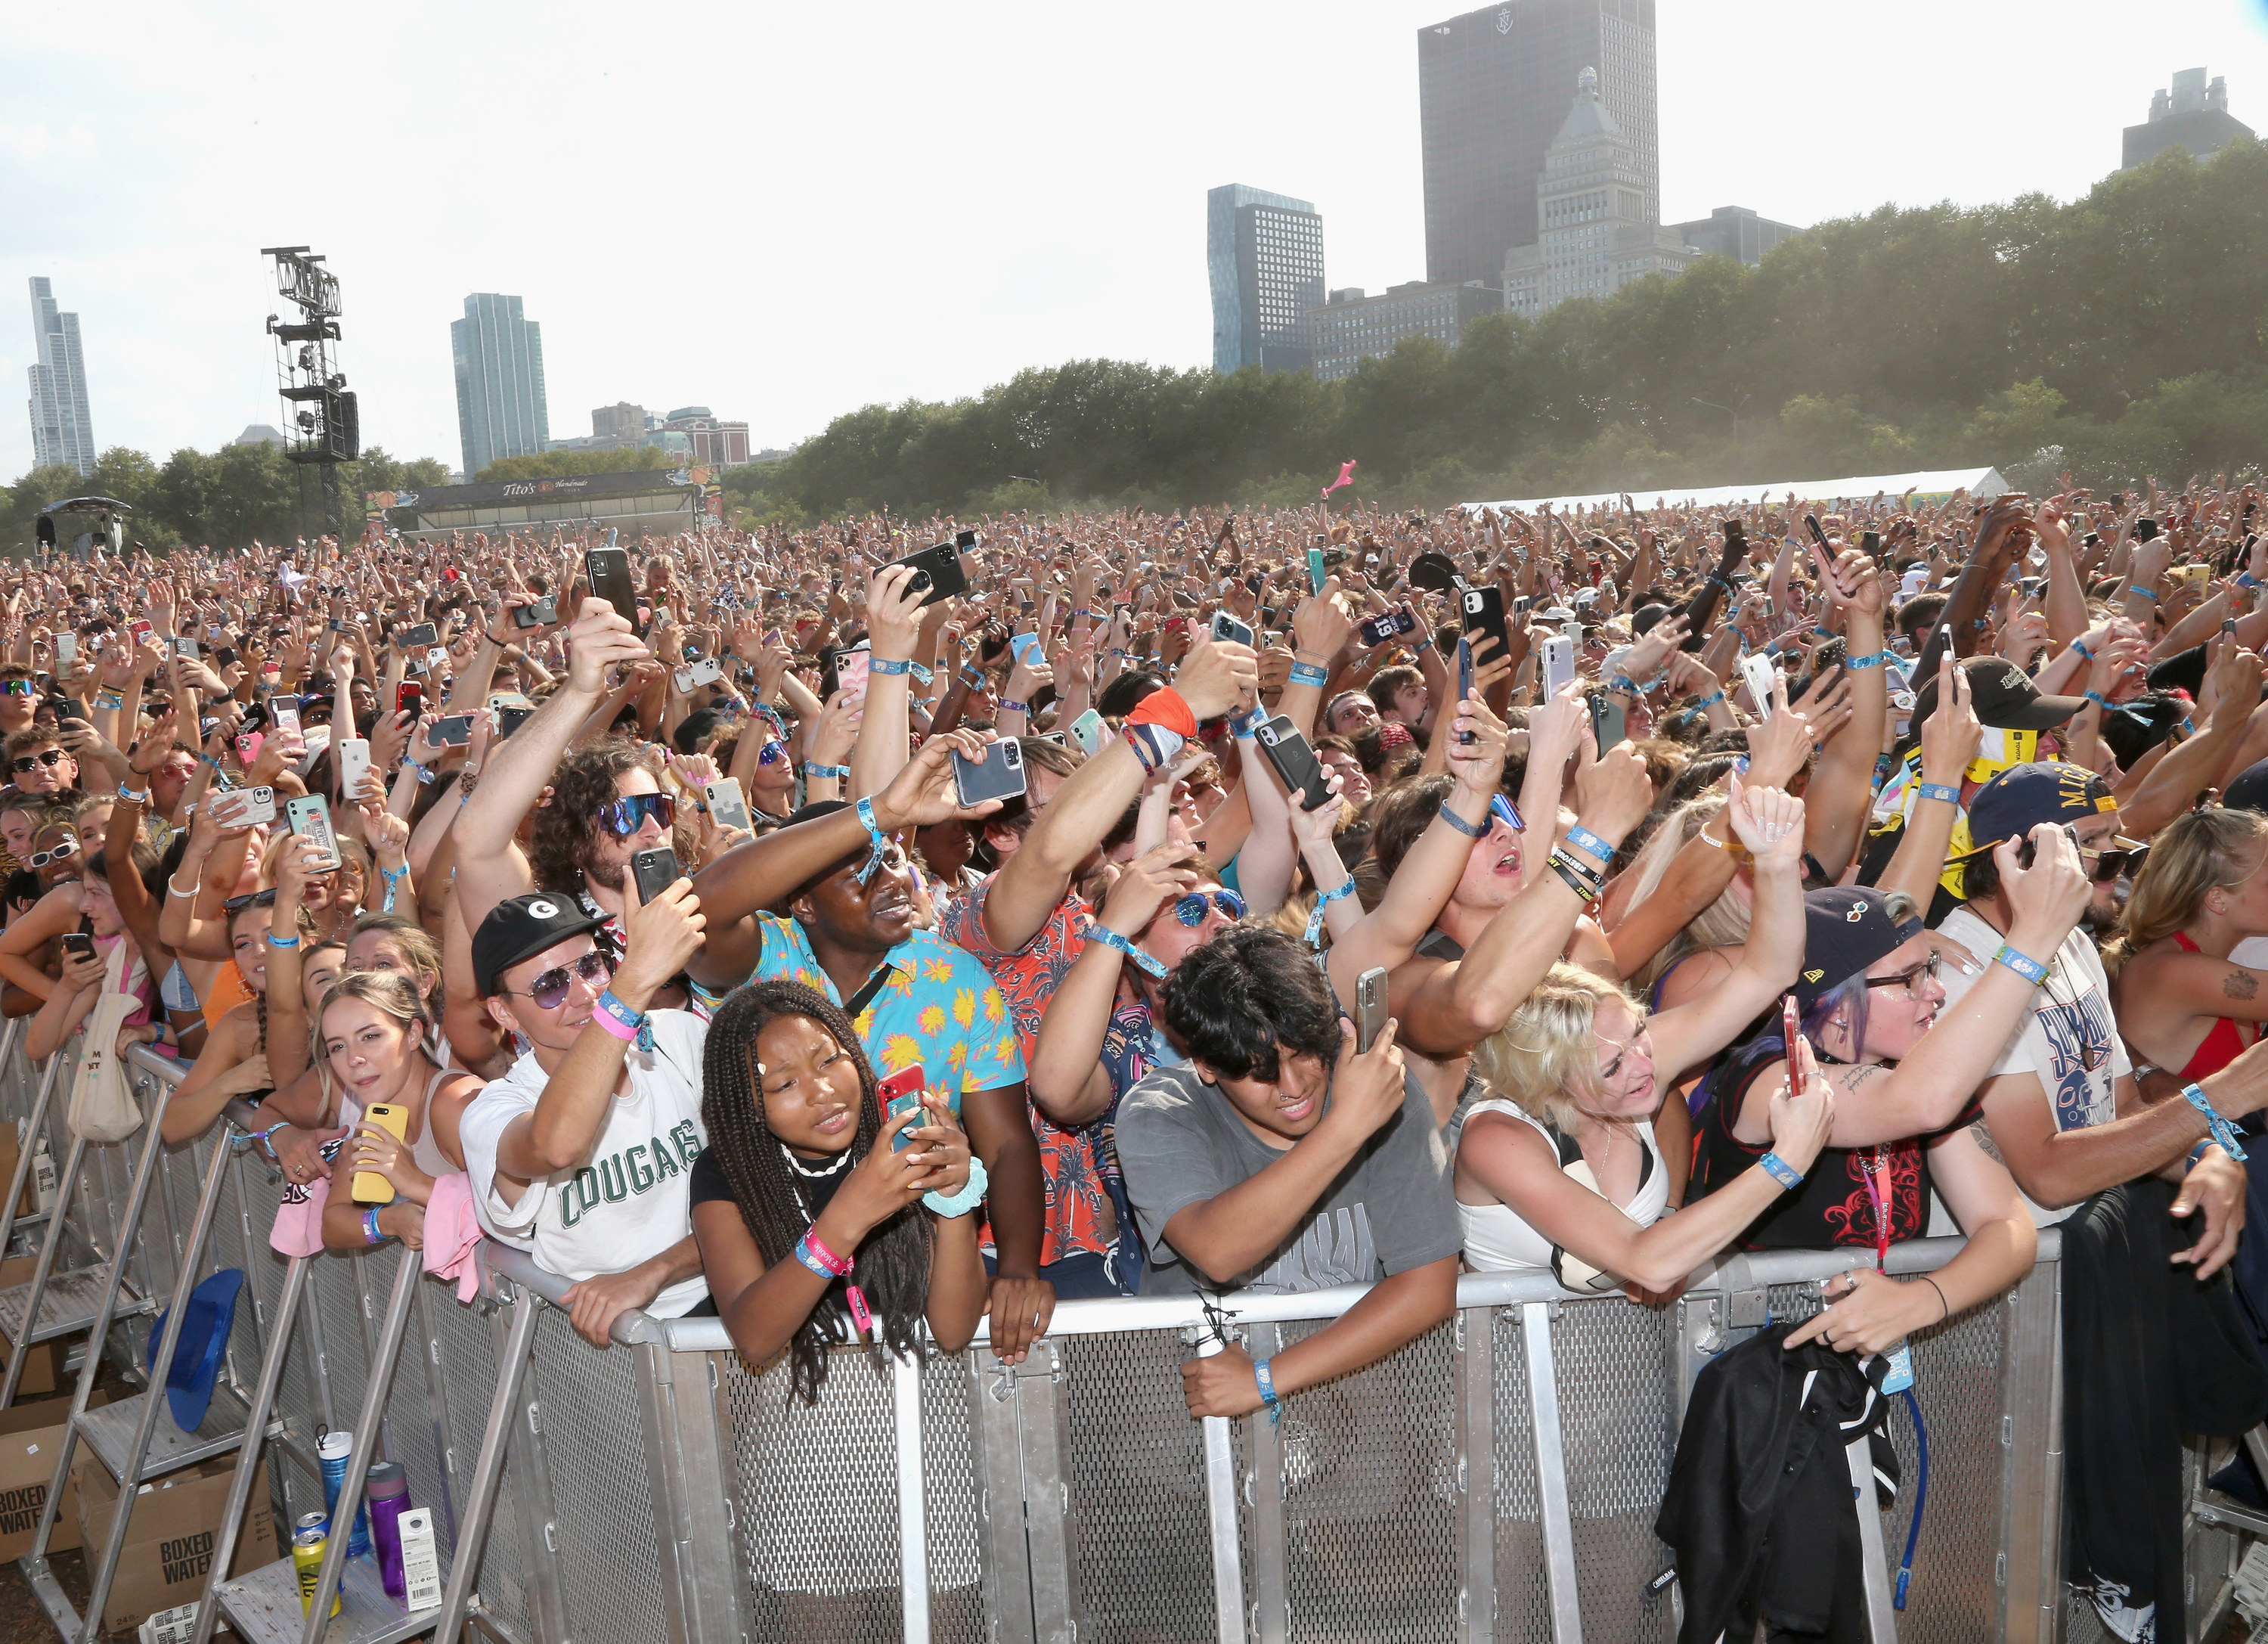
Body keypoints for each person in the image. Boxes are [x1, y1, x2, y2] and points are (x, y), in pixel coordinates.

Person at [1458, 779, 1829, 1294]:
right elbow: (1647, 1262)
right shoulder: (1499, 1140)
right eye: (1612, 1066)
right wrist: (1786, 1161)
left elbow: (1771, 971)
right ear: (1551, 1086)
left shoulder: (1639, 1056)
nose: (1642, 1062)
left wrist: (1776, 864)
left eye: (1637, 1032)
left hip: (1634, 1364)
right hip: (1518, 1368)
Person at [1117, 926, 1461, 1419]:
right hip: (1195, 1436)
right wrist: (1346, 1129)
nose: (1293, 1086)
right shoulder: (1161, 1110)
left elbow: (1427, 1289)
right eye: (1259, 1072)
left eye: (1305, 1055)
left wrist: (1264, 1380)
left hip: (1357, 1430)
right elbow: (1218, 1251)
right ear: (1206, 1066)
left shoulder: (1381, 1092)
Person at [456, 880, 714, 1346]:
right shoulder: (492, 1110)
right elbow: (556, 1145)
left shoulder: (678, 1038)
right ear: (504, 1013)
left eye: (591, 967)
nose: (583, 995)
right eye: (549, 986)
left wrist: (654, 1272)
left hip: (722, 1308)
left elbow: (761, 1191)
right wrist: (629, 991)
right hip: (601, 1356)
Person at [690, 979, 984, 1389]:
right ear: (750, 1106)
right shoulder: (727, 1170)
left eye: (829, 1061)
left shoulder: (901, 1141)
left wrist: (955, 1202)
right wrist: (848, 1218)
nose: (823, 1091)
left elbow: (954, 1330)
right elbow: (754, 1340)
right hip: (802, 1416)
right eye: (784, 1084)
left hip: (920, 1400)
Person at [318, 971, 482, 1252]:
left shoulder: (455, 1102)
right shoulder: (378, 1115)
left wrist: (417, 1183)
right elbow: (332, 1224)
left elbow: (517, 1214)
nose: (353, 1059)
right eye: (338, 1046)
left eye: (370, 1036)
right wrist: (387, 1221)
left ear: (413, 1035)